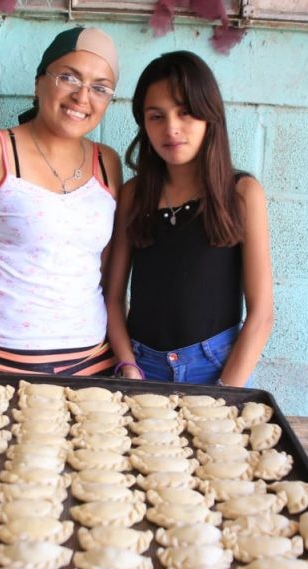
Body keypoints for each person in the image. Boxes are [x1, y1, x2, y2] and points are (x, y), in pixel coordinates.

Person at [0, 26, 123, 375]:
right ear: (39, 83)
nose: (82, 97)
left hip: (91, 367)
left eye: (100, 87)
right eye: (68, 77)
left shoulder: (107, 163)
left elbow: (103, 273)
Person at [105, 51, 273, 387]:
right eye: (156, 116)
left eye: (185, 112)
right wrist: (128, 366)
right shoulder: (134, 194)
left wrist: (225, 392)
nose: (171, 128)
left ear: (210, 115)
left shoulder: (242, 194)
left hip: (216, 367)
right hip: (141, 366)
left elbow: (262, 315)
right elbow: (112, 297)